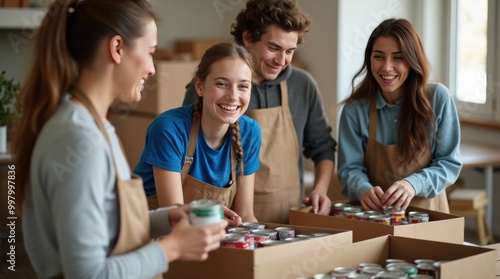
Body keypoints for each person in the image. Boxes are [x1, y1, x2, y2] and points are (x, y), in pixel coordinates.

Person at [13, 1, 228, 278]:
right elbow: (89, 273)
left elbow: (106, 224)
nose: (152, 68)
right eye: (150, 53)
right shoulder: (78, 139)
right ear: (117, 48)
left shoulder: (94, 126)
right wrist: (171, 249)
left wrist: (167, 218)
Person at [182, 0, 336, 223]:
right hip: (232, 221)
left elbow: (322, 146)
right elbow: (192, 154)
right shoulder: (214, 90)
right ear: (247, 37)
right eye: (273, 48)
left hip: (289, 217)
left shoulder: (303, 85)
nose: (281, 60)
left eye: (289, 51)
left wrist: (320, 190)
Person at [337, 18, 462, 213]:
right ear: (369, 60)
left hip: (429, 217)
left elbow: (449, 164)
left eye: (398, 57)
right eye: (378, 56)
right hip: (374, 217)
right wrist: (362, 189)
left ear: (413, 60)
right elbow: (349, 169)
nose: (387, 67)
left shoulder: (438, 99)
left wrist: (414, 184)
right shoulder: (354, 110)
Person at [134, 42, 260, 224]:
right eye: (222, 84)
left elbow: (246, 214)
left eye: (243, 86)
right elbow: (174, 218)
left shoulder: (250, 131)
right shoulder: (169, 129)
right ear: (199, 86)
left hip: (207, 236)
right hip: (155, 238)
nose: (233, 96)